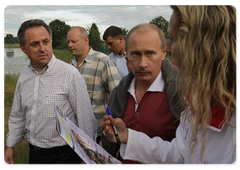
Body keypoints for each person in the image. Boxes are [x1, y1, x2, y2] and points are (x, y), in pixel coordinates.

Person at [102, 3, 237, 165]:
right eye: (136, 54)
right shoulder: (197, 99)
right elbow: (179, 153)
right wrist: (129, 137)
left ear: (201, 45)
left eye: (172, 39)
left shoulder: (181, 93)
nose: (169, 48)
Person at [3, 19, 97, 165]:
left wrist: (88, 157)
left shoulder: (69, 74)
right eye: (35, 44)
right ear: (23, 48)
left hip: (65, 155)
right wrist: (10, 146)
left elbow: (86, 120)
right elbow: (18, 114)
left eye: (45, 42)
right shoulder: (23, 77)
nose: (42, 48)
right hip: (34, 154)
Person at [102, 23, 183, 164]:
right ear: (127, 54)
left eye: (150, 53)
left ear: (163, 53)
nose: (142, 64)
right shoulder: (120, 92)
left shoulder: (181, 92)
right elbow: (110, 143)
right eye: (136, 54)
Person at [67, 27, 121, 144]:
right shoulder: (69, 66)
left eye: (73, 41)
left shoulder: (103, 62)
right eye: (68, 42)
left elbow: (118, 97)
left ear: (86, 41)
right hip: (76, 133)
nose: (70, 45)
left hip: (99, 135)